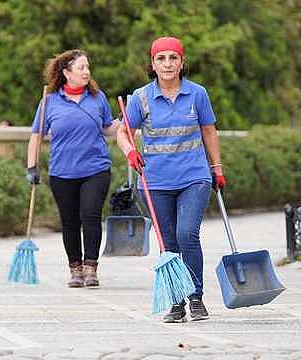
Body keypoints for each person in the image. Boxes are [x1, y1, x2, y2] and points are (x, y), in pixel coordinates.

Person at [116, 37, 225, 322]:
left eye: (173, 58)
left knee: (186, 234)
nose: (167, 63)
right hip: (155, 182)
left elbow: (209, 132)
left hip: (194, 176)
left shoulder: (198, 93)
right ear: (152, 64)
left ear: (181, 62)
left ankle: (196, 297)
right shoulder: (140, 97)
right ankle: (176, 302)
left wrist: (217, 168)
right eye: (161, 58)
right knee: (168, 243)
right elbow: (122, 132)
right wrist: (130, 151)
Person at [25, 49, 119, 288]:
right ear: (66, 73)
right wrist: (32, 166)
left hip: (96, 168)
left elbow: (107, 128)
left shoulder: (97, 98)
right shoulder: (50, 101)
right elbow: (36, 136)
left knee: (90, 215)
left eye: (88, 67)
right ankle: (75, 269)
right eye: (81, 68)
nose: (87, 72)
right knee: (69, 222)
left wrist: (126, 120)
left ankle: (91, 268)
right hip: (62, 172)